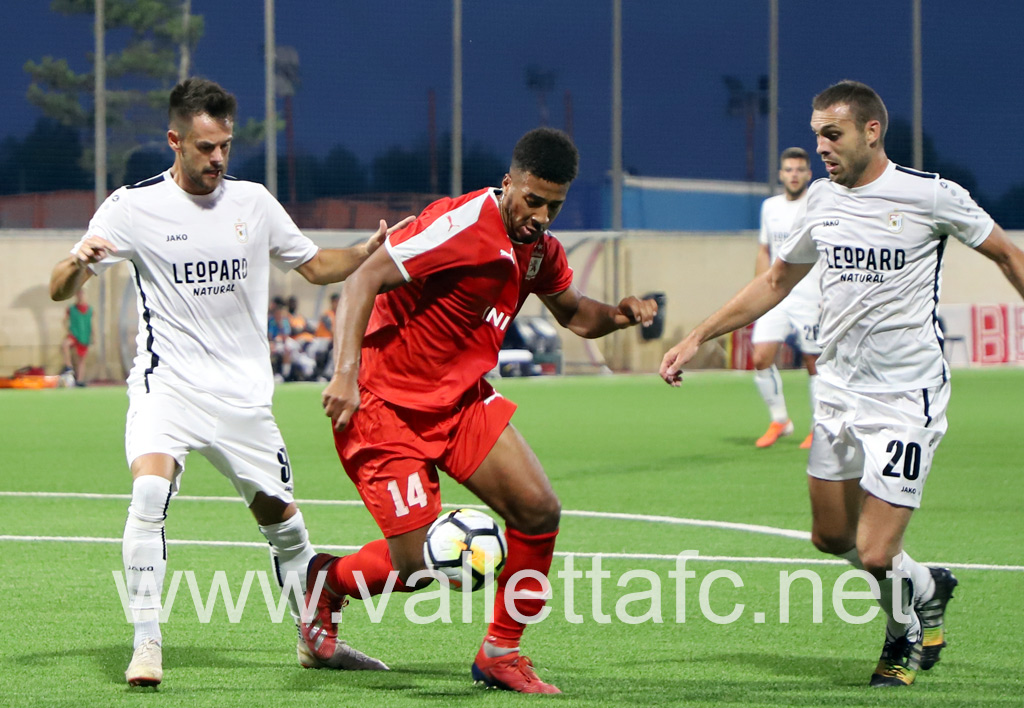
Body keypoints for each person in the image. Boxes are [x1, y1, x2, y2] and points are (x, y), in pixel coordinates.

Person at [48, 77, 412, 688]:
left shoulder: (254, 202)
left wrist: (367, 251)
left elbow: (316, 265)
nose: (217, 158)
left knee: (287, 526)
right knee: (149, 496)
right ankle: (146, 646)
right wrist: (76, 266)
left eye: (224, 147)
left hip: (244, 399)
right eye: (204, 147)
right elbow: (62, 286)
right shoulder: (132, 207)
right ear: (175, 141)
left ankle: (316, 642)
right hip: (168, 387)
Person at [660, 80, 1024, 687]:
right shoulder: (821, 204)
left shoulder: (931, 196)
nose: (821, 148)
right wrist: (699, 336)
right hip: (836, 392)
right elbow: (777, 280)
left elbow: (1009, 257)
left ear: (871, 131)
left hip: (907, 397)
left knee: (876, 552)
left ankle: (899, 637)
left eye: (833, 134)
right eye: (816, 136)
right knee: (831, 538)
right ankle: (928, 583)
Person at [306, 127, 658, 694]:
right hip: (385, 406)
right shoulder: (464, 222)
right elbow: (363, 278)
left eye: (555, 205)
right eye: (533, 199)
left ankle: (501, 651)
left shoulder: (538, 249)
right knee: (419, 565)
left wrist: (621, 313)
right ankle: (327, 583)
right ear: (507, 184)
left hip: (461, 403)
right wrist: (344, 374)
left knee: (539, 510)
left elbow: (575, 315)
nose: (541, 215)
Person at [750, 147, 821, 448]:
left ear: (808, 174)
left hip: (810, 294)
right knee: (760, 357)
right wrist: (757, 291)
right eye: (789, 169)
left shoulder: (817, 206)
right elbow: (764, 250)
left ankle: (820, 426)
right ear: (781, 174)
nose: (794, 175)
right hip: (775, 293)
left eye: (799, 170)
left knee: (814, 362)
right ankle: (780, 420)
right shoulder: (770, 207)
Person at [61, 288, 94, 386]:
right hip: (75, 334)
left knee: (81, 360)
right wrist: (68, 329)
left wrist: (93, 335)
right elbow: (64, 320)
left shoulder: (89, 309)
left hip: (84, 335)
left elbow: (91, 324)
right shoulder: (72, 308)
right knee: (65, 345)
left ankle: (79, 380)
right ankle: (68, 366)